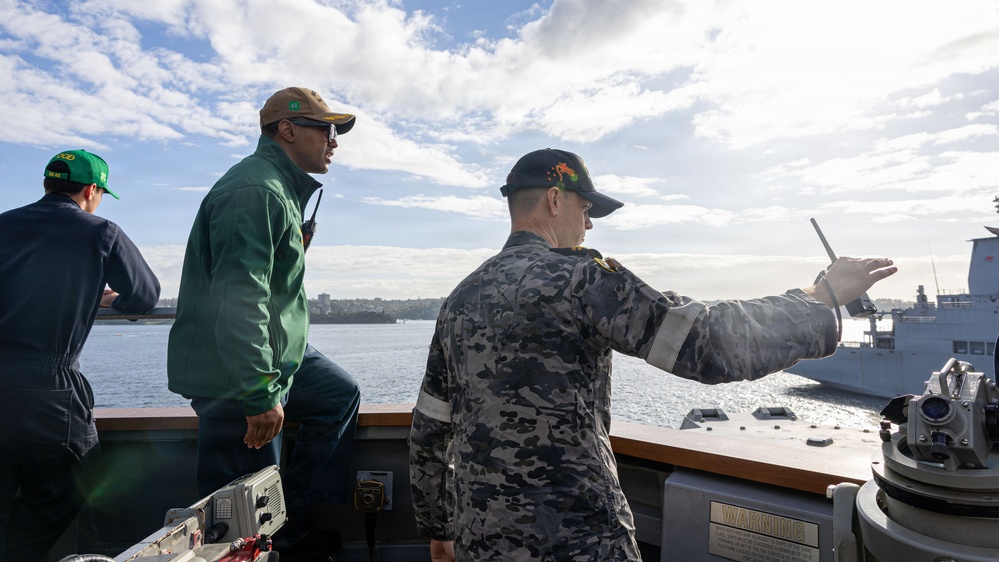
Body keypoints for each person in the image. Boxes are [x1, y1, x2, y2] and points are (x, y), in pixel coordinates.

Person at [408, 148, 897, 561]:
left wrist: (440, 526)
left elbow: (431, 426)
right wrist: (818, 300)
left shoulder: (460, 298)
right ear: (555, 200)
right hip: (579, 539)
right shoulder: (580, 278)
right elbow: (705, 344)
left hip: (481, 541)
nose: (590, 226)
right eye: (586, 209)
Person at [167, 87, 361, 557]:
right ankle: (266, 543)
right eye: (326, 130)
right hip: (235, 374)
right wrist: (258, 393)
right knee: (239, 522)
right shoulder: (255, 191)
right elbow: (240, 298)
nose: (334, 142)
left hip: (279, 357)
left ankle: (290, 518)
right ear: (288, 130)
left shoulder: (278, 190)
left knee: (339, 393)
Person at [0, 150, 161, 562]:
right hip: (47, 389)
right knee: (76, 479)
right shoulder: (100, 232)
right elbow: (144, 295)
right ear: (92, 190)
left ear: (45, 184)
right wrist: (106, 301)